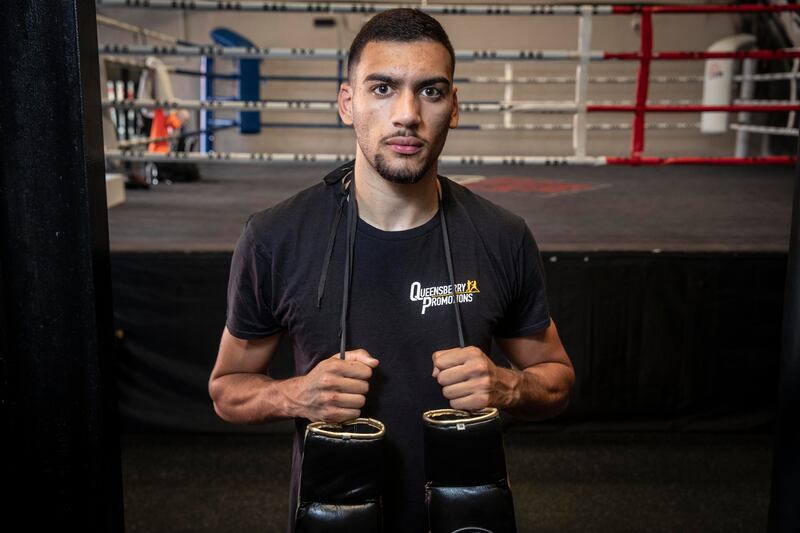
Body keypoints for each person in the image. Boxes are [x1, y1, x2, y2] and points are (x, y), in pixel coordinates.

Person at [209, 8, 575, 532]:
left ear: (454, 107)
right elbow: (226, 389)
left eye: (430, 91)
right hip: (338, 516)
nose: (406, 114)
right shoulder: (274, 237)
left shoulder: (501, 235)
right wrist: (295, 394)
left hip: (464, 519)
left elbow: (557, 379)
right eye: (382, 88)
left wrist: (507, 387)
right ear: (347, 102)